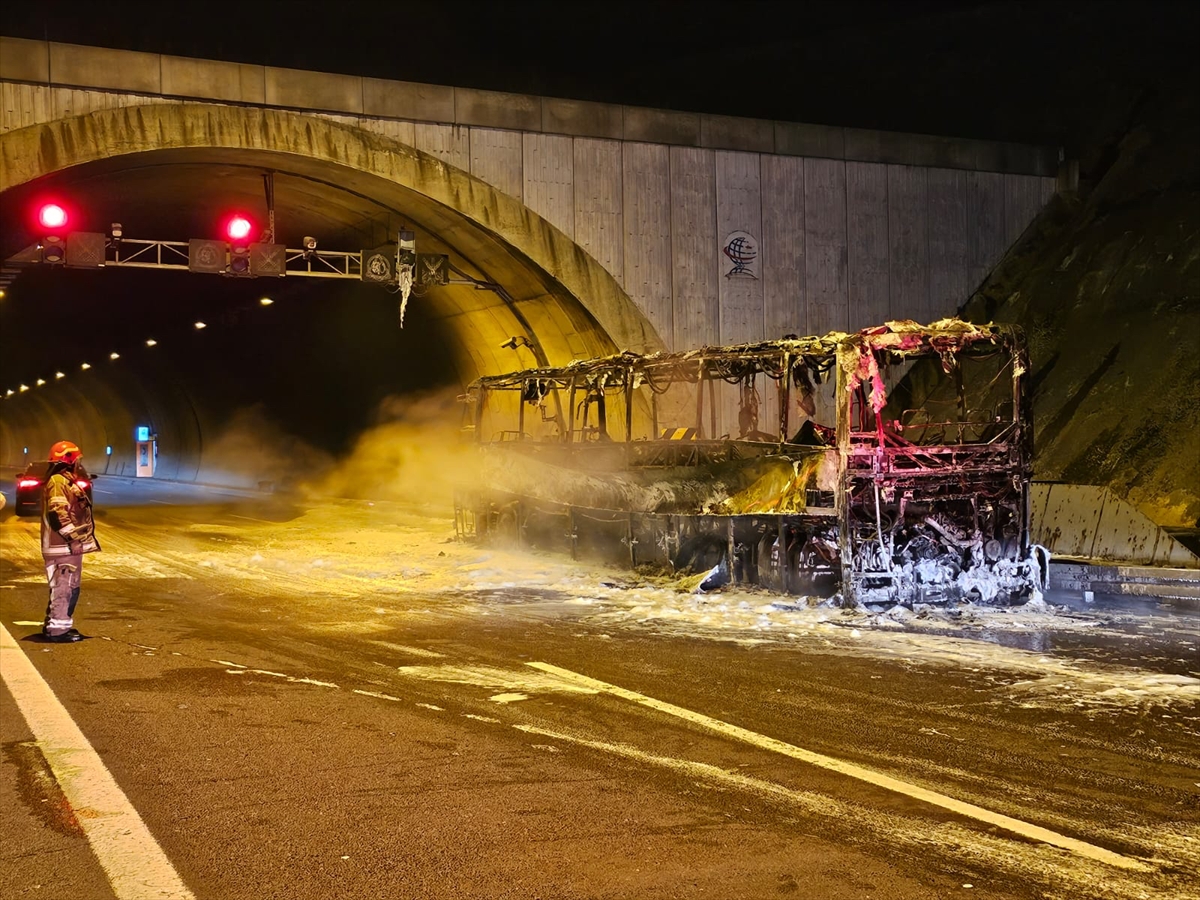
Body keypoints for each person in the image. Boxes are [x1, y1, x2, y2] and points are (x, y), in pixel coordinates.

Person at [40, 440, 101, 642]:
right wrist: (73, 539)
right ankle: (57, 631)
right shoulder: (58, 482)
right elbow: (58, 513)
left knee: (67, 587)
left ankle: (58, 626)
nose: (79, 463)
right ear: (69, 460)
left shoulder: (64, 481)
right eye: (77, 459)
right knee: (64, 588)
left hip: (64, 547)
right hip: (62, 547)